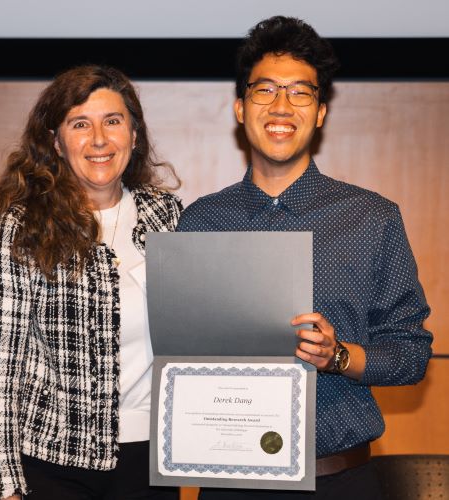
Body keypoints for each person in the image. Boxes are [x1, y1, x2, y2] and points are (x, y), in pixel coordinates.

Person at [177, 16, 432, 499]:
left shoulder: (371, 218)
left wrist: (338, 357)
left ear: (319, 113)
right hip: (228, 483)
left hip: (339, 481)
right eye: (265, 90)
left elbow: (412, 354)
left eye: (300, 93)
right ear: (239, 106)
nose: (281, 106)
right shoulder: (201, 222)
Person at [0, 65, 182, 500]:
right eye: (80, 124)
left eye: (113, 121)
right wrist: (1, 485)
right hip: (51, 464)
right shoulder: (20, 226)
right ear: (56, 142)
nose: (99, 139)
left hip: (152, 460)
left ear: (134, 135)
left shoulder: (169, 217)